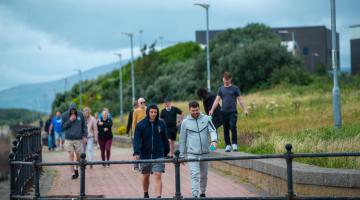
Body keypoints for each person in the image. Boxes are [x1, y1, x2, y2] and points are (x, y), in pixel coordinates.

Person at [179, 101, 218, 198]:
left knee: (204, 175)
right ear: (189, 110)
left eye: (196, 110)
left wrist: (214, 141)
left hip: (205, 153)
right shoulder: (185, 123)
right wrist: (182, 155)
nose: (195, 112)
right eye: (193, 110)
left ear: (199, 109)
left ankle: (203, 193)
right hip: (192, 153)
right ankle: (194, 196)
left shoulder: (206, 118)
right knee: (195, 175)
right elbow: (182, 140)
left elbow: (213, 130)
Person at [133, 104, 170, 199]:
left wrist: (166, 151)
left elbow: (165, 138)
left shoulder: (161, 124)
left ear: (157, 113)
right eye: (151, 112)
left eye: (155, 112)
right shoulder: (140, 125)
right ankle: (146, 193)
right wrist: (136, 152)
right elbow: (136, 139)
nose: (153, 114)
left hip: (158, 154)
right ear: (148, 112)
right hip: (145, 155)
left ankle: (158, 197)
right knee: (146, 176)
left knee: (158, 175)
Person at [209, 72, 249, 152]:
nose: (226, 81)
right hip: (223, 112)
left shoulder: (235, 89)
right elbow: (217, 100)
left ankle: (234, 143)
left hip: (232, 112)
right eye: (225, 79)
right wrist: (212, 109)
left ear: (230, 79)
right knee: (225, 128)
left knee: (233, 126)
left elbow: (240, 99)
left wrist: (245, 109)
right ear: (223, 79)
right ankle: (227, 145)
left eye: (228, 79)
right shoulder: (221, 89)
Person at [62, 103, 88, 179]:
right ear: (69, 110)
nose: (73, 112)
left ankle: (76, 168)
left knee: (78, 155)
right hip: (68, 139)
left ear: (76, 109)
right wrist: (70, 120)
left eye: (74, 110)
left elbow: (84, 126)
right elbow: (63, 127)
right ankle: (72, 172)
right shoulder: (64, 115)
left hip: (78, 139)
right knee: (71, 154)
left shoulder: (80, 115)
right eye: (71, 110)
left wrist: (85, 136)